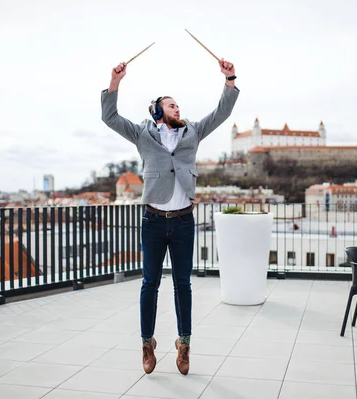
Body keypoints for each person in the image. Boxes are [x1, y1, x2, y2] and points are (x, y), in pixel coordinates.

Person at [101, 58, 239, 375]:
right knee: (149, 284)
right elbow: (109, 116)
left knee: (182, 285)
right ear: (158, 111)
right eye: (172, 105)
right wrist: (115, 82)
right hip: (152, 221)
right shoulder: (142, 134)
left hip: (183, 221)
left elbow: (222, 112)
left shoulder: (192, 131)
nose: (178, 109)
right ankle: (147, 344)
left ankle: (184, 344)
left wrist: (229, 79)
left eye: (178, 105)